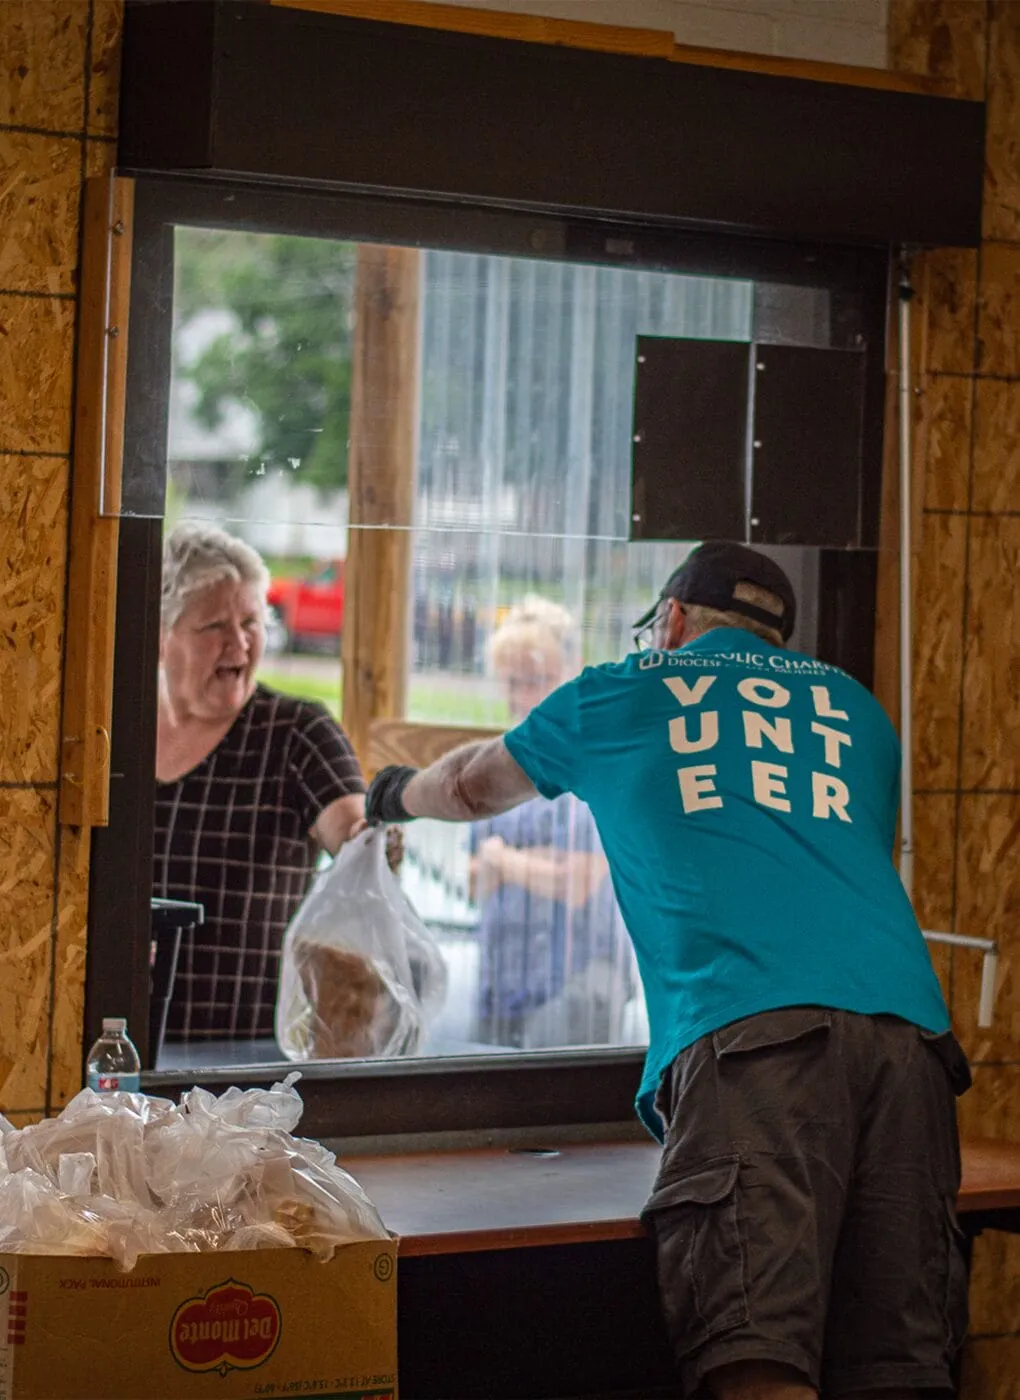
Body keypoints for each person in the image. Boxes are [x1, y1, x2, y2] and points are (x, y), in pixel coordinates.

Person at [363, 540, 969, 1400]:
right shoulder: (859, 712)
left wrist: (390, 794)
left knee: (757, 1354)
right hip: (912, 1044)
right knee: (898, 1370)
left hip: (755, 1038)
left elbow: (467, 787)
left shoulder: (627, 688)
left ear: (674, 621)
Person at [154, 523, 369, 1046]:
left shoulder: (297, 732)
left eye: (252, 621)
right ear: (159, 637)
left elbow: (356, 836)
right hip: (121, 1048)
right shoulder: (112, 735)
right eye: (213, 627)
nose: (240, 642)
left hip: (250, 1058)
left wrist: (374, 843)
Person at [469, 597, 630, 1049]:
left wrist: (500, 857)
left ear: (570, 675)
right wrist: (533, 865)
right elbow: (471, 883)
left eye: (537, 681)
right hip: (502, 984)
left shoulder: (596, 766)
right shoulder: (496, 764)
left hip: (578, 986)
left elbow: (577, 882)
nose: (523, 697)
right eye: (513, 682)